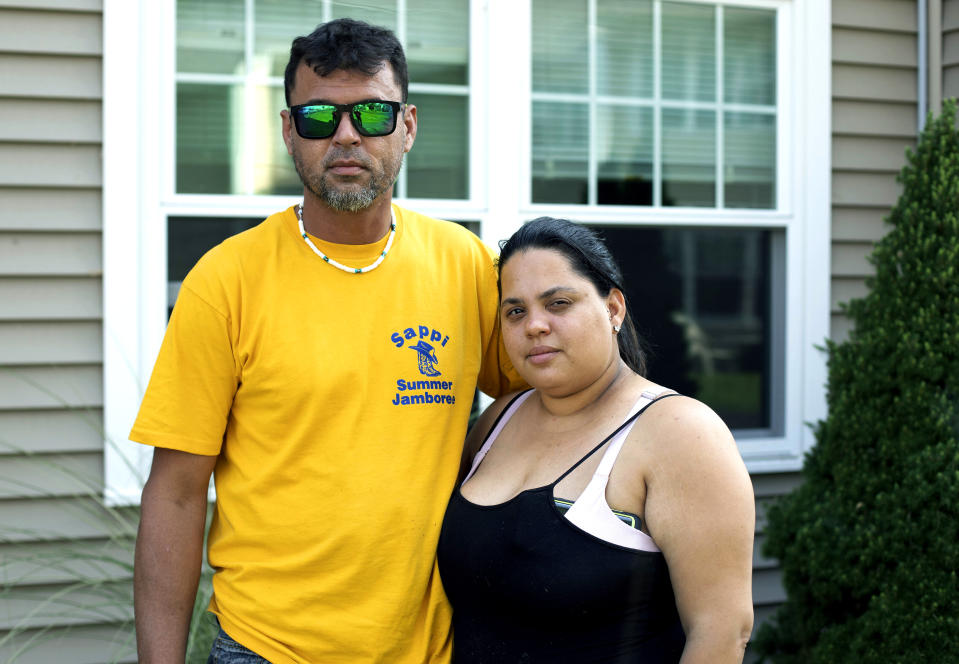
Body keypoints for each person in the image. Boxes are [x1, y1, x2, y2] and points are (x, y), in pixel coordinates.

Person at [131, 18, 523, 664]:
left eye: (372, 113)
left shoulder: (466, 266)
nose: (345, 136)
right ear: (289, 132)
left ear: (408, 125)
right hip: (267, 646)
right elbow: (174, 494)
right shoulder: (226, 280)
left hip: (433, 648)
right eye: (318, 117)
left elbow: (548, 406)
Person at [437, 217, 756, 663]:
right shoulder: (496, 422)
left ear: (613, 309)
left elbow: (721, 633)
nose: (535, 326)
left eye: (559, 303)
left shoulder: (679, 433)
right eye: (516, 311)